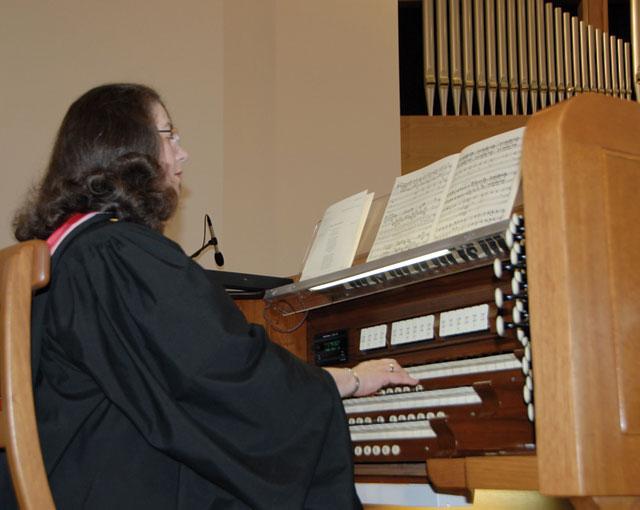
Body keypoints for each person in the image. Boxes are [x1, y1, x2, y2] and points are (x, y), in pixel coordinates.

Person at [0, 83, 417, 509]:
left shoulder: (67, 256)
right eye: (169, 135)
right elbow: (224, 374)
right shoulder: (115, 254)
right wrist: (343, 381)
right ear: (127, 149)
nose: (183, 154)